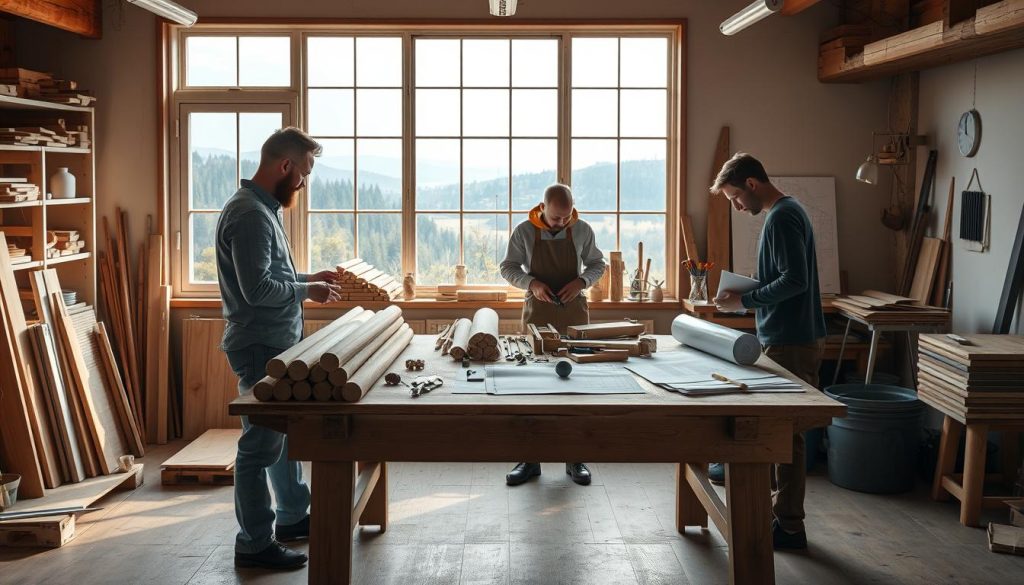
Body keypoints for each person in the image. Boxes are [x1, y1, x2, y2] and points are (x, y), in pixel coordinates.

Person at [217, 127, 343, 569]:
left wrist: (310, 280)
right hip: (259, 345)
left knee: (281, 439)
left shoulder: (262, 209)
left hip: (275, 344)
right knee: (259, 448)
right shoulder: (251, 215)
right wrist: (306, 291)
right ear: (285, 166)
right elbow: (257, 290)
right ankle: (253, 543)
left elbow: (274, 274)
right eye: (304, 172)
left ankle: (292, 517)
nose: (304, 183)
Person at [710, 152, 826, 550]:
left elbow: (795, 281)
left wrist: (745, 302)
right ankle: (784, 520)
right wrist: (748, 292)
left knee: (785, 435)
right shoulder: (787, 213)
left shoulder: (781, 217)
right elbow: (785, 277)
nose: (738, 208)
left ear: (752, 185)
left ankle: (789, 526)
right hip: (787, 335)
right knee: (783, 433)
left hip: (790, 339)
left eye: (735, 199)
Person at [499, 183, 607, 487]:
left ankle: (576, 459)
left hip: (574, 313)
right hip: (538, 312)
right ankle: (529, 460)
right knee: (532, 385)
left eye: (567, 217)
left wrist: (583, 281)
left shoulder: (582, 230)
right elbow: (507, 268)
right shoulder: (523, 231)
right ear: (542, 208)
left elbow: (598, 264)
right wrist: (532, 283)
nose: (562, 223)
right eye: (556, 218)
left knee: (575, 385)